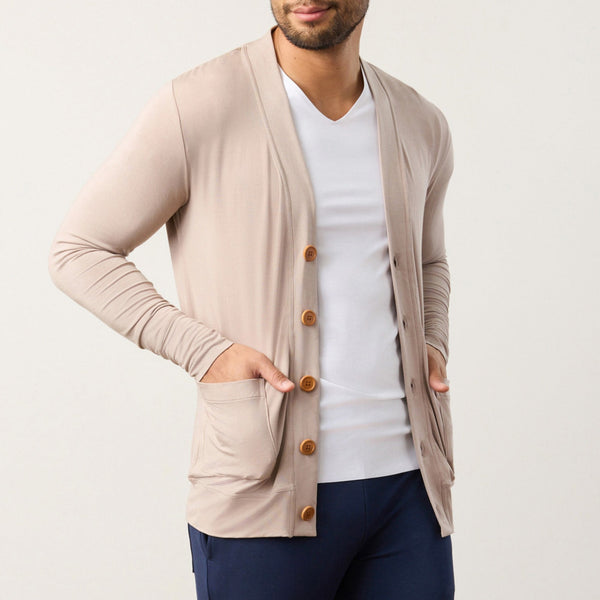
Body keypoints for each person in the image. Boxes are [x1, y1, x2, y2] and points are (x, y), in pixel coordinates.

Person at [48, 1, 456, 597]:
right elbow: (80, 249)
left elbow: (428, 261)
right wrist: (205, 352)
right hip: (261, 497)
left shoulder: (421, 122)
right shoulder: (200, 105)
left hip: (410, 492)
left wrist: (432, 338)